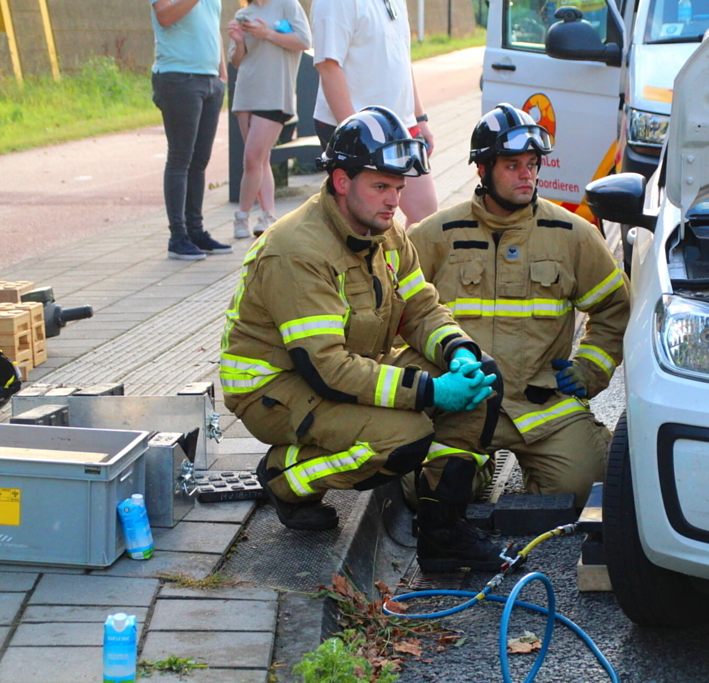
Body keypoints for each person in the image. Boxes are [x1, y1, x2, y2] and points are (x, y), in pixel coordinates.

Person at [220, 106, 505, 573]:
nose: (394, 200)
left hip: (338, 367)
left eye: (398, 186)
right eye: (380, 186)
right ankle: (286, 477)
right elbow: (326, 369)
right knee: (404, 438)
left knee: (483, 382)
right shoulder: (298, 250)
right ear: (340, 181)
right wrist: (430, 391)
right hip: (272, 389)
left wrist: (458, 351)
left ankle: (443, 533)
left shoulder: (385, 230)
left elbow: (421, 308)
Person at [409, 104, 631, 509]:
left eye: (532, 163)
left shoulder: (572, 235)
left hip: (541, 409)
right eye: (512, 165)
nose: (527, 174)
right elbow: (398, 314)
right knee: (431, 494)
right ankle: (467, 470)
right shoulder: (435, 235)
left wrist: (590, 369)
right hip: (462, 407)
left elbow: (615, 309)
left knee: (585, 491)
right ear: (482, 169)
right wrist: (428, 386)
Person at [309, 0, 439, 226]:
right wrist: (354, 135)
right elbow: (328, 66)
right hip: (357, 130)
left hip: (400, 125)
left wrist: (419, 119)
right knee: (362, 220)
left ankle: (402, 262)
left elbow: (402, 60)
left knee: (424, 213)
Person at [150, 0, 233, 260]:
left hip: (209, 80)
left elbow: (212, 27)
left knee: (199, 161)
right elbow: (164, 15)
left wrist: (221, 75)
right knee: (180, 158)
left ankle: (195, 232)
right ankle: (178, 237)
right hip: (178, 77)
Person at [227, 0, 311, 239]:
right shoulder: (244, 13)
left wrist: (267, 33)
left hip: (275, 95)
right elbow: (237, 60)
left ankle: (241, 216)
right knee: (261, 159)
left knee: (252, 158)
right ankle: (268, 215)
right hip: (246, 93)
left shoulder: (288, 6)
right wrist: (239, 40)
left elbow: (304, 41)